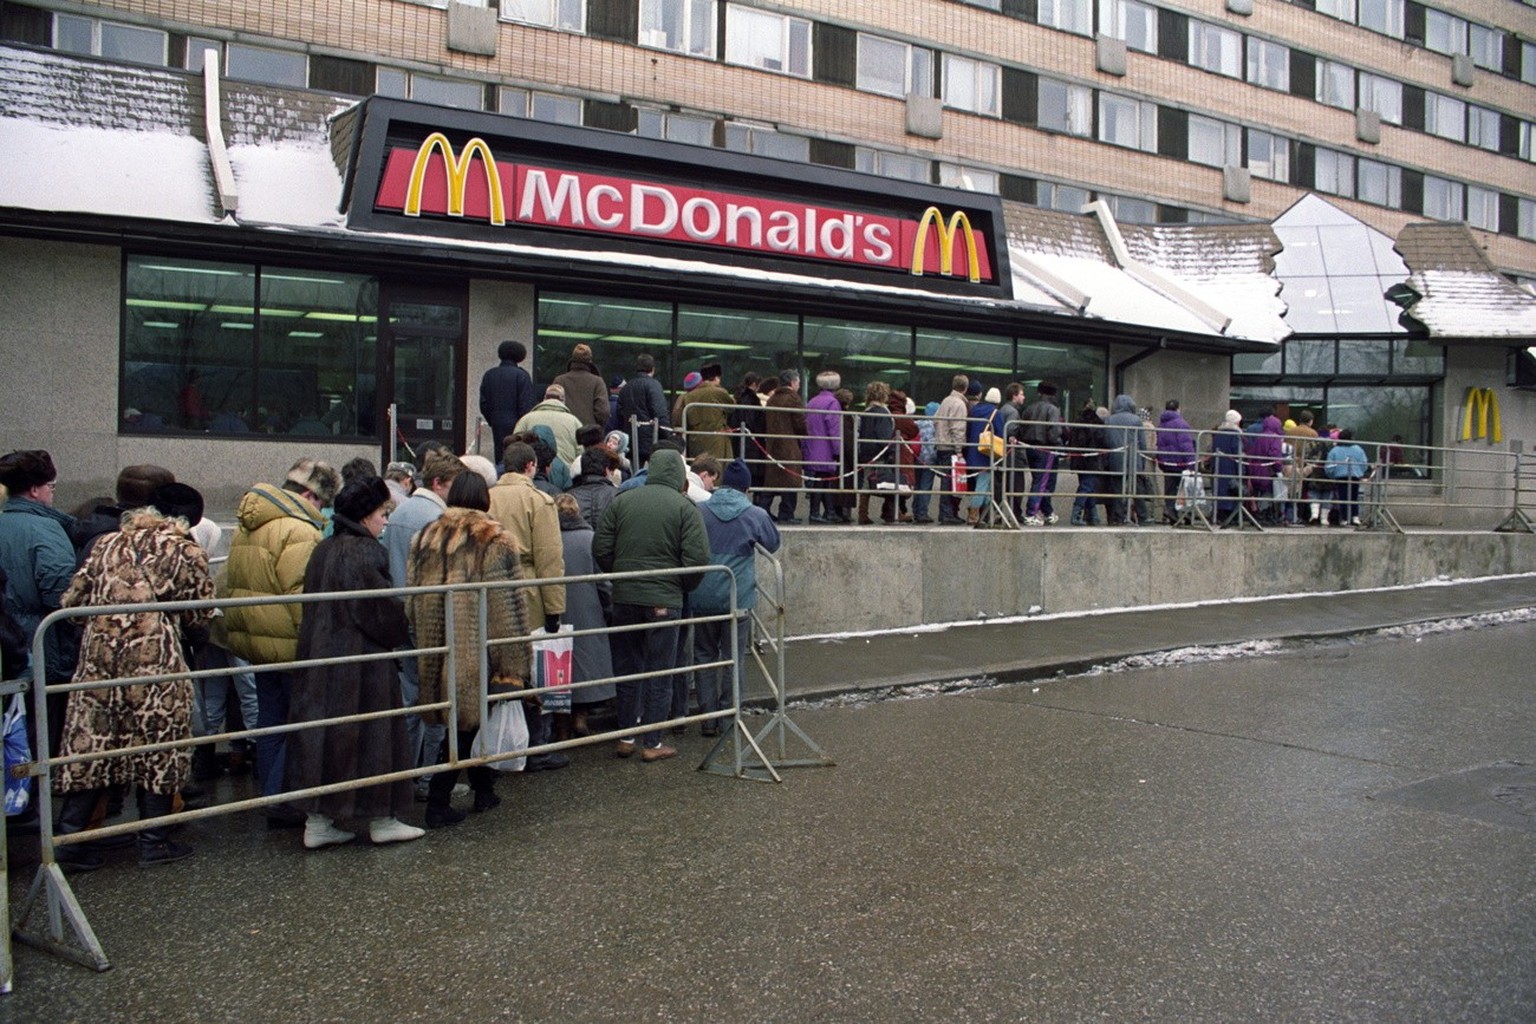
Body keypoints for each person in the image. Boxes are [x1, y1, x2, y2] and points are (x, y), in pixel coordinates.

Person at [53, 483, 216, 869]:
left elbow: (72, 604)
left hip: (100, 658)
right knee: (158, 742)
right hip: (154, 658)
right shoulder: (185, 550)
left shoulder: (107, 544)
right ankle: (153, 842)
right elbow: (199, 612)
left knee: (93, 743)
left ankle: (70, 844)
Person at [286, 478, 422, 848]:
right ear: (365, 516)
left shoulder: (324, 549)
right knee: (374, 735)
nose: (384, 522)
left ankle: (318, 821)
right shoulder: (364, 552)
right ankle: (383, 817)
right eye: (381, 514)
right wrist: (399, 627)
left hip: (319, 656)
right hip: (362, 662)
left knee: (324, 737)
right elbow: (380, 611)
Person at [407, 472, 533, 827]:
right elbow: (507, 606)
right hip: (476, 646)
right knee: (465, 726)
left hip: (435, 645)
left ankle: (483, 789)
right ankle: (437, 800)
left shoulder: (425, 537)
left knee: (464, 721)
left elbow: (410, 598)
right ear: (485, 499)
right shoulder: (494, 539)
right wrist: (515, 661)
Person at [222, 457, 338, 826]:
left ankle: (273, 794)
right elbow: (301, 593)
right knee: (300, 722)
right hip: (290, 643)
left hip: (255, 641)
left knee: (271, 721)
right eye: (322, 502)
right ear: (309, 494)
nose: (322, 509)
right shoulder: (298, 530)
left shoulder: (250, 524)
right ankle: (283, 798)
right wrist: (317, 643)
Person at [592, 448, 710, 763]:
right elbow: (697, 560)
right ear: (680, 476)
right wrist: (679, 587)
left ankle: (626, 736)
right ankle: (653, 742)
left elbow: (601, 547)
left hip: (625, 598)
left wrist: (620, 578)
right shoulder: (685, 508)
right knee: (661, 670)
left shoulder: (623, 501)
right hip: (664, 600)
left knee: (628, 669)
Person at [384, 449, 465, 796]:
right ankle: (428, 776)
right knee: (434, 701)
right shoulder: (436, 518)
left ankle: (407, 772)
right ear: (439, 483)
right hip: (428, 616)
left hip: (401, 611)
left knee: (411, 697)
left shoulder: (401, 511)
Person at [487, 441, 568, 771]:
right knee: (534, 674)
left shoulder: (487, 497)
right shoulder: (539, 500)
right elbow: (550, 559)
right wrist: (555, 608)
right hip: (529, 589)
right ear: (531, 466)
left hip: (492, 586)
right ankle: (535, 748)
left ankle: (497, 745)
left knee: (499, 670)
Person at [692, 459, 780, 736]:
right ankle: (730, 716)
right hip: (737, 597)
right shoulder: (755, 514)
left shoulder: (699, 510)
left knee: (704, 656)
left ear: (720, 482)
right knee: (734, 657)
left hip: (702, 595)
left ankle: (708, 717)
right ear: (747, 487)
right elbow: (773, 543)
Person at [552, 492, 614, 739]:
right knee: (585, 667)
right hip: (589, 610)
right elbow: (604, 583)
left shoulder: (549, 540)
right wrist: (608, 610)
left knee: (557, 666)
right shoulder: (590, 538)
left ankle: (561, 726)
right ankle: (581, 717)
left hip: (557, 610)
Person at [479, 340, 536, 468]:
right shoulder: (522, 375)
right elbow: (526, 404)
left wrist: (493, 419)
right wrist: (523, 425)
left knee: (500, 457)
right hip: (517, 424)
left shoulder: (489, 375)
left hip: (497, 422)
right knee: (516, 460)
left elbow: (483, 403)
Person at [761, 369, 807, 523]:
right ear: (792, 382)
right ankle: (786, 514)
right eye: (798, 383)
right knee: (790, 479)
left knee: (772, 479)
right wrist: (806, 433)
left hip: (773, 445)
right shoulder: (793, 398)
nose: (799, 386)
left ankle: (764, 509)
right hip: (789, 445)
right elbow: (799, 423)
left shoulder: (772, 399)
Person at [614, 354, 671, 468]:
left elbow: (620, 414)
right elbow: (659, 412)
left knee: (633, 471)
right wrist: (667, 436)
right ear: (653, 369)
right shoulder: (654, 385)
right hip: (651, 440)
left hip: (630, 439)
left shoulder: (626, 388)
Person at [1021, 381, 1065, 526]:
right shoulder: (1053, 409)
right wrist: (1059, 445)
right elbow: (1054, 431)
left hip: (1029, 447)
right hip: (1046, 448)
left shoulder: (1029, 408)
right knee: (1043, 482)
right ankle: (1031, 513)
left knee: (1038, 480)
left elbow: (1022, 428)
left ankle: (1047, 512)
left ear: (1039, 393)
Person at [804, 370, 843, 524]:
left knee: (821, 479)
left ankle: (828, 511)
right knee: (823, 480)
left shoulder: (812, 401)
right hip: (825, 446)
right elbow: (834, 428)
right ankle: (816, 512)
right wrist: (837, 450)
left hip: (812, 444)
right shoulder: (833, 403)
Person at [857, 381, 899, 526]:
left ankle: (863, 513)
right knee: (888, 482)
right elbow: (884, 438)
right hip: (879, 454)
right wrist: (892, 451)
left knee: (866, 484)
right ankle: (891, 513)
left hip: (866, 453)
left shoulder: (866, 412)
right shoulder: (883, 413)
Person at [1101, 395, 1145, 526]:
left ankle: (1119, 517)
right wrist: (1142, 459)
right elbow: (1142, 442)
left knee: (1117, 489)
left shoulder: (1109, 420)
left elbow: (1106, 440)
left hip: (1115, 457)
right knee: (1137, 489)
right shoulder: (1136, 420)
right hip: (1133, 457)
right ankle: (1143, 516)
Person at [514, 384, 583, 466]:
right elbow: (581, 451)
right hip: (565, 470)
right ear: (563, 400)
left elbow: (515, 445)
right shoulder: (574, 421)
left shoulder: (526, 419)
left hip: (533, 469)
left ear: (544, 398)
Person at [677, 363, 734, 460]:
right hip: (716, 441)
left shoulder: (689, 395)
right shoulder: (718, 392)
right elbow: (732, 406)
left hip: (695, 441)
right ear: (716, 378)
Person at [934, 375, 970, 525]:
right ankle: (948, 513)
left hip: (941, 444)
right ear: (965, 388)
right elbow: (958, 428)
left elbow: (935, 420)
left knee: (946, 480)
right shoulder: (959, 404)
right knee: (950, 482)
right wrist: (959, 449)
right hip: (950, 447)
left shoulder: (945, 401)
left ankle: (945, 513)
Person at [1155, 400, 1197, 524]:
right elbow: (1186, 445)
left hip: (1166, 462)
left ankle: (1170, 511)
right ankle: (1185, 514)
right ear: (1178, 409)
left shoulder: (1161, 424)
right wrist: (1191, 464)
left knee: (1170, 489)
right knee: (1184, 489)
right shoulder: (1181, 424)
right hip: (1180, 462)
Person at [965, 385, 1000, 526]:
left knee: (986, 485)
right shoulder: (996, 413)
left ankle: (986, 514)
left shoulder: (974, 411)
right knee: (983, 483)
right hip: (986, 453)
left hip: (972, 451)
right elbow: (1000, 432)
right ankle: (973, 513)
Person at [552, 342, 609, 429]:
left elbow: (552, 407)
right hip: (588, 433)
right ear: (590, 361)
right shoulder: (597, 381)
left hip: (564, 429)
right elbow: (603, 412)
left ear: (572, 360)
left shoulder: (559, 380)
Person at [1068, 402, 1105, 526]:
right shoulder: (1097, 423)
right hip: (1092, 460)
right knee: (1087, 487)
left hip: (1079, 459)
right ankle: (1076, 515)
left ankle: (1093, 516)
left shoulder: (1077, 422)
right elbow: (1101, 441)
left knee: (1087, 487)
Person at [1324, 429, 1371, 526]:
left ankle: (1344, 518)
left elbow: (1328, 466)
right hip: (1355, 476)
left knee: (1343, 497)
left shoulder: (1335, 450)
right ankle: (1355, 517)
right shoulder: (1358, 449)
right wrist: (1360, 472)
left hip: (1341, 476)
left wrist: (1332, 475)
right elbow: (1364, 463)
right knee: (1354, 497)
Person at [1211, 410, 1245, 525]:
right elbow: (1237, 454)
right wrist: (1242, 471)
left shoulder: (1218, 434)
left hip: (1218, 467)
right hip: (1231, 468)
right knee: (1231, 492)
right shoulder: (1235, 435)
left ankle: (1218, 516)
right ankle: (1232, 518)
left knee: (1219, 492)